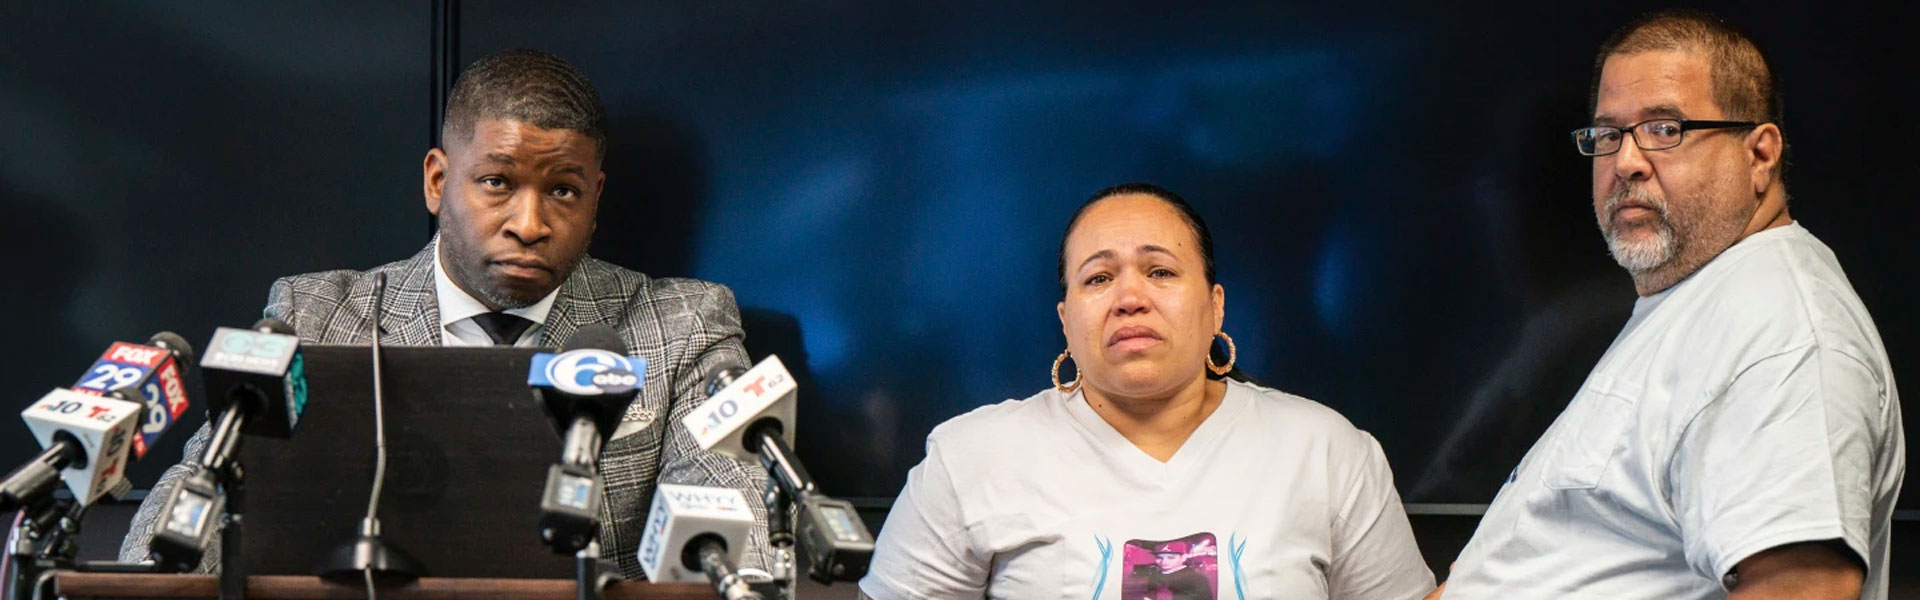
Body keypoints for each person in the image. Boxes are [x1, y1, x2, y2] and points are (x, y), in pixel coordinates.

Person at [119, 49, 771, 579]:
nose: (530, 224)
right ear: (438, 181)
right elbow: (198, 495)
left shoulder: (682, 325)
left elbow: (734, 518)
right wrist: (153, 577)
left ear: (595, 198)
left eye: (562, 190)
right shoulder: (313, 316)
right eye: (497, 182)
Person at [1431, 10, 1903, 599]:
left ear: (1760, 155)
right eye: (1608, 135)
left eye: (1664, 128)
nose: (1626, 161)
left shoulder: (1780, 329)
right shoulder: (1701, 301)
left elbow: (1804, 587)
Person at [859, 183, 1433, 599]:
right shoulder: (970, 458)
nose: (1130, 298)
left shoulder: (1327, 451)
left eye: (1160, 271)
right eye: (1098, 278)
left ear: (1215, 307)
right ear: (1066, 321)